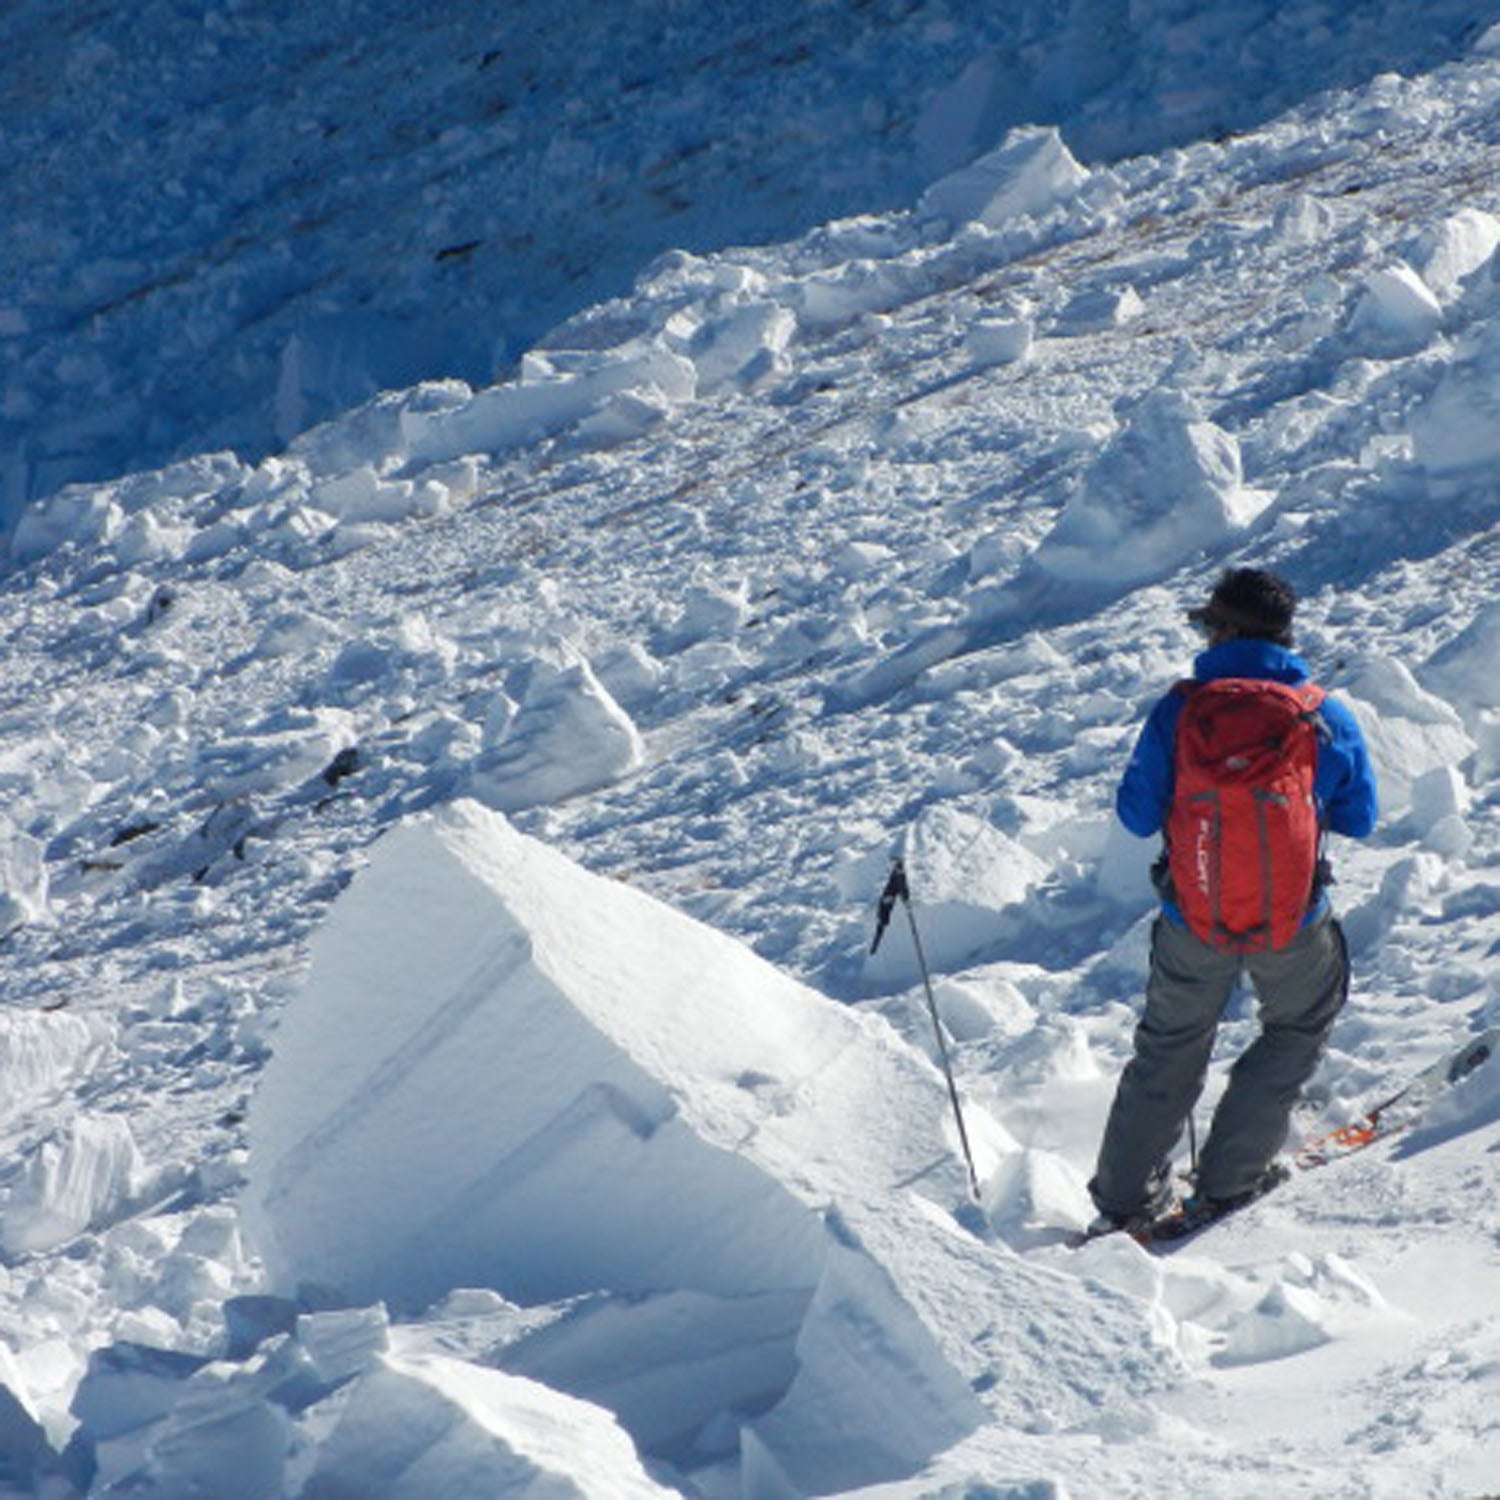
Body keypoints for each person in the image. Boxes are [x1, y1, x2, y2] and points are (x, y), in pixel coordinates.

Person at [1089, 567, 1378, 1233]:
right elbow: (1359, 817)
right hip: (1292, 920)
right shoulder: (1320, 712)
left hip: (1192, 915)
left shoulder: (1182, 710)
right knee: (1295, 1029)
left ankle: (1124, 1202)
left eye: (1205, 622)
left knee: (1169, 1046)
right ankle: (1227, 1183)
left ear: (1224, 630)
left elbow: (1136, 815)